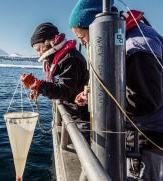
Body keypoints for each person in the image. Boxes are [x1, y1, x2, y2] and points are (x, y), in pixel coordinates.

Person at [69, 0, 163, 146]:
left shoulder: (136, 48)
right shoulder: (119, 39)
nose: (82, 43)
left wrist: (95, 99)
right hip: (134, 129)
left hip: (148, 135)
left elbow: (144, 102)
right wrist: (91, 92)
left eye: (82, 37)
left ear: (96, 28)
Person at [20, 22, 90, 133]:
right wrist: (38, 89)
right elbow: (57, 85)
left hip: (79, 118)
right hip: (69, 114)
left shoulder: (70, 59)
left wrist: (38, 85)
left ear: (49, 42)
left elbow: (64, 91)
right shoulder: (58, 59)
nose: (39, 54)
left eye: (39, 49)